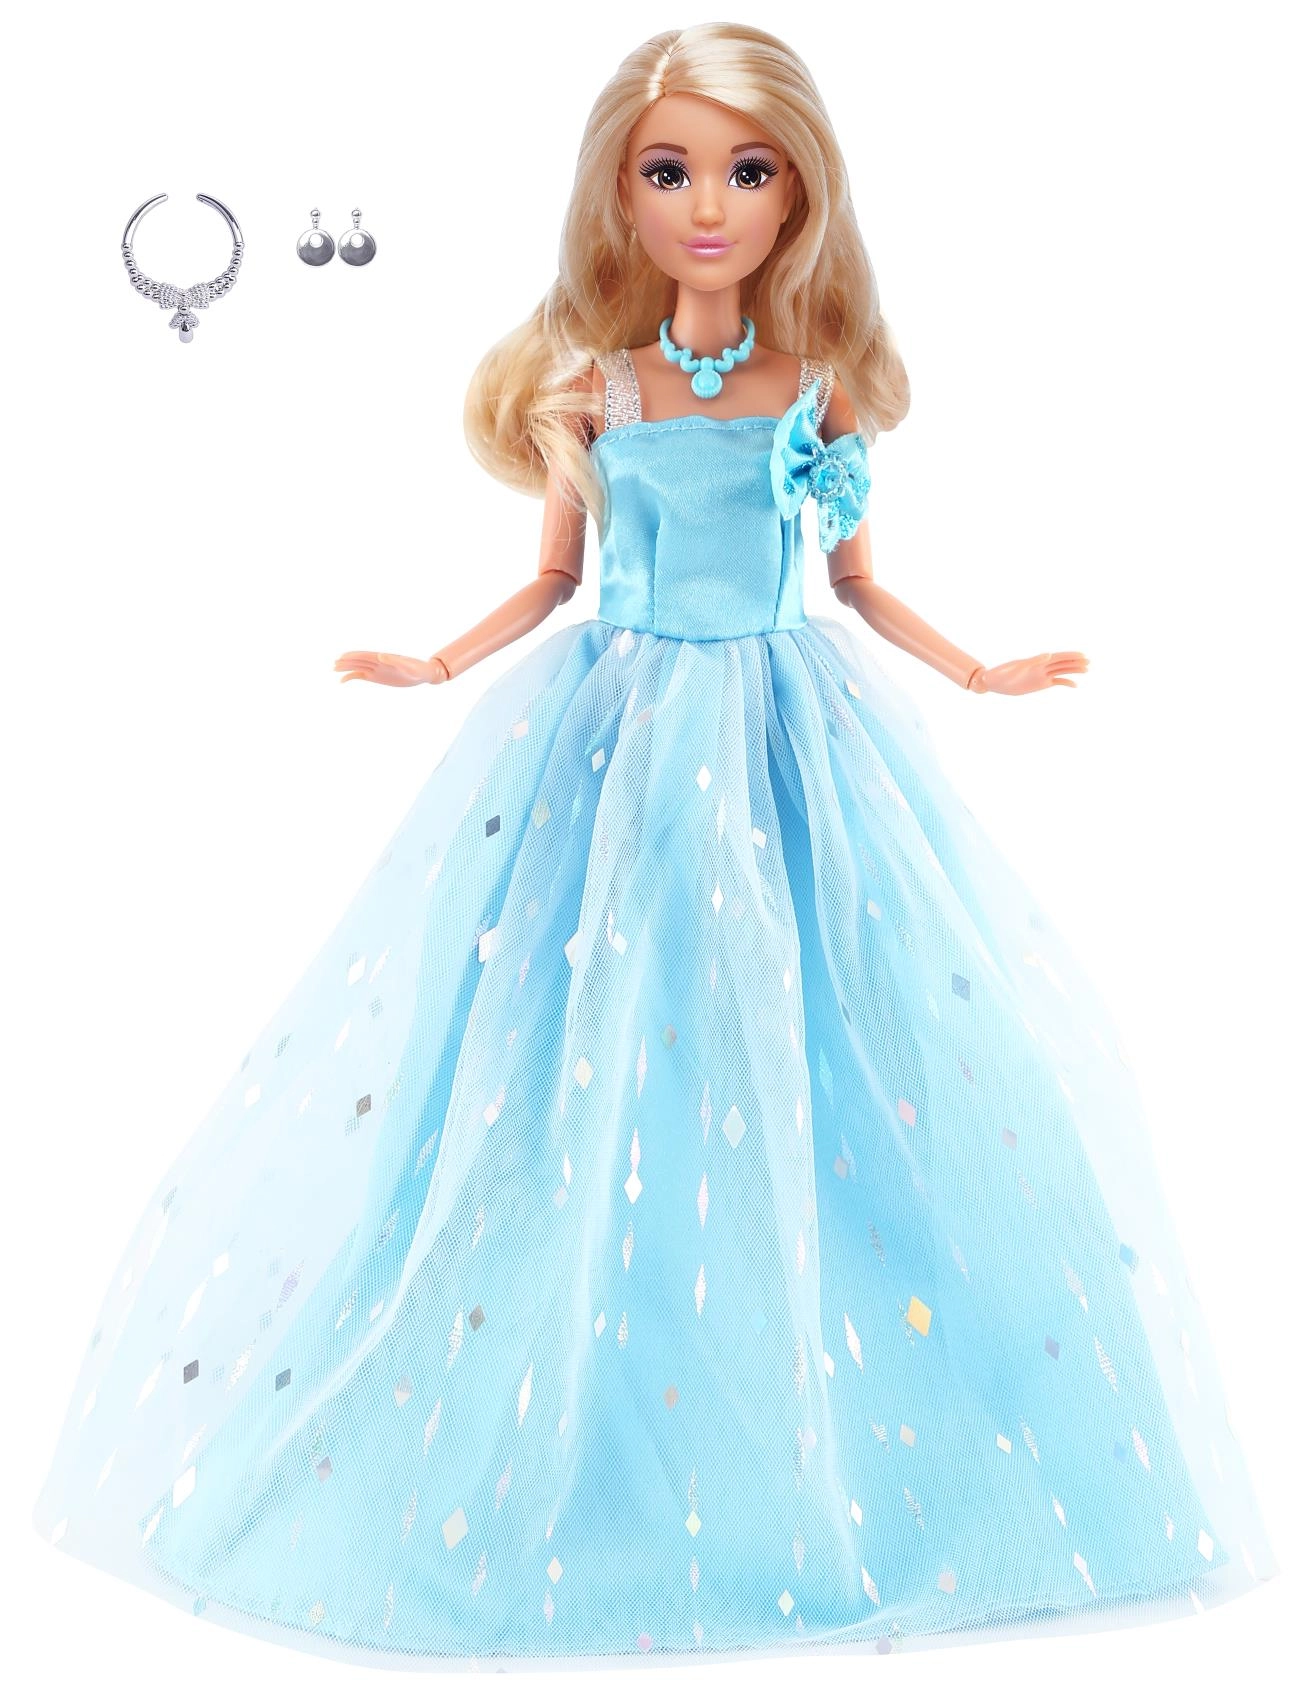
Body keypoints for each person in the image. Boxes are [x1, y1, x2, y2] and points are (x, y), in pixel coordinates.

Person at [32, 21, 1277, 1671]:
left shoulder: (814, 391)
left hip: (788, 745)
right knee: (566, 1052)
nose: (708, 205)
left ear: (797, 198)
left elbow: (853, 583)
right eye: (671, 170)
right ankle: (558, 1402)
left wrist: (980, 670)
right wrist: (437, 663)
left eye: (747, 172)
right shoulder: (599, 391)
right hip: (610, 747)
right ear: (619, 196)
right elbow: (554, 579)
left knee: (844, 1041)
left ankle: (841, 1426)